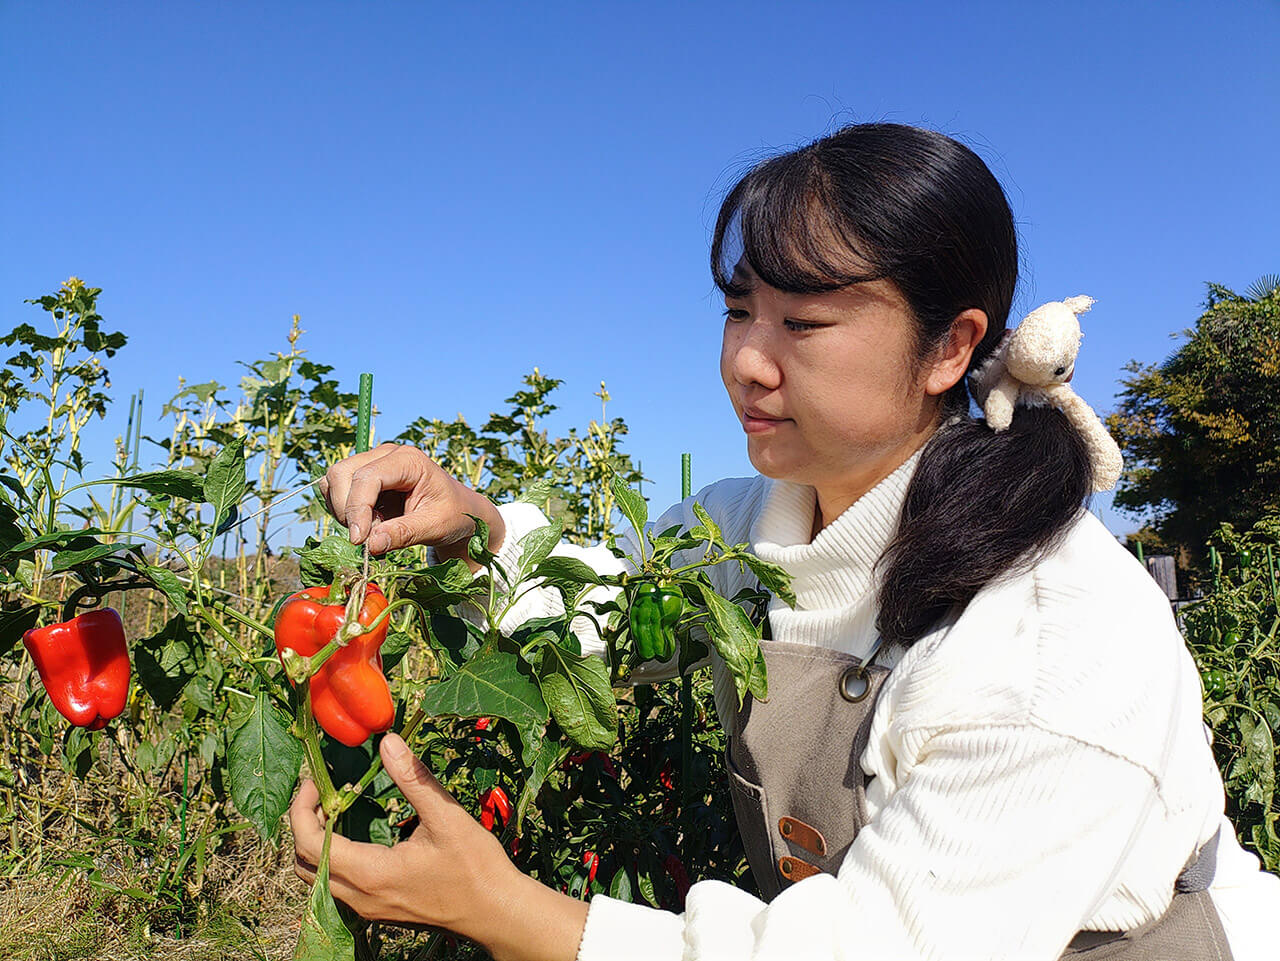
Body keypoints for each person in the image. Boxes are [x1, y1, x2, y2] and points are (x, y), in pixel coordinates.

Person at [289, 123, 1279, 960]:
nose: (744, 363)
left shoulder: (1051, 636)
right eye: (734, 310)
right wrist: (476, 527)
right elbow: (603, 616)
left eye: (801, 321)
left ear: (947, 345)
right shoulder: (748, 523)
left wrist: (512, 912)